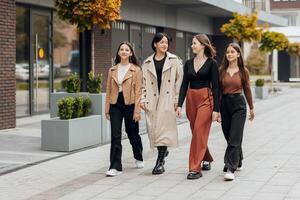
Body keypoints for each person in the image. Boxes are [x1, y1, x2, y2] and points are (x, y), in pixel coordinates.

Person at [176, 34, 219, 180]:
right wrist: (179, 105)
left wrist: (216, 110)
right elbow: (183, 85)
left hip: (206, 99)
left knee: (199, 130)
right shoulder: (188, 63)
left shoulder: (212, 63)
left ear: (203, 45)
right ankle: (206, 157)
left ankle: (195, 167)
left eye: (195, 43)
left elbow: (217, 87)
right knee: (196, 132)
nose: (192, 46)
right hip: (191, 99)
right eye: (192, 44)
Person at [141, 32, 183, 175]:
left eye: (166, 42)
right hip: (152, 100)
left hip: (167, 100)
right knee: (155, 129)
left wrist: (177, 102)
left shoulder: (174, 60)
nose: (165, 45)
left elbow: (179, 82)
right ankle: (162, 154)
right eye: (161, 42)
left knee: (164, 131)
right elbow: (143, 83)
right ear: (155, 44)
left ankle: (159, 163)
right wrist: (142, 98)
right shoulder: (147, 63)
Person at [105, 41, 144, 177]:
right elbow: (109, 90)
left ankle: (138, 155)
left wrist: (137, 111)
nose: (124, 51)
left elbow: (139, 91)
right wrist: (107, 109)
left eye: (127, 50)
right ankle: (115, 166)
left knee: (132, 133)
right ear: (118, 52)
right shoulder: (112, 70)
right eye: (121, 49)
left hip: (130, 104)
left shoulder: (136, 70)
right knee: (115, 135)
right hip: (115, 104)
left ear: (131, 53)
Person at [218, 43, 255, 181]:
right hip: (225, 105)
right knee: (229, 136)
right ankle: (238, 159)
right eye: (228, 52)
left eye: (232, 52)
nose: (229, 54)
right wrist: (217, 110)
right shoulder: (221, 70)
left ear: (238, 54)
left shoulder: (243, 71)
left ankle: (230, 168)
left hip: (239, 105)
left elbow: (247, 90)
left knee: (234, 136)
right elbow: (218, 92)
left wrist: (251, 108)